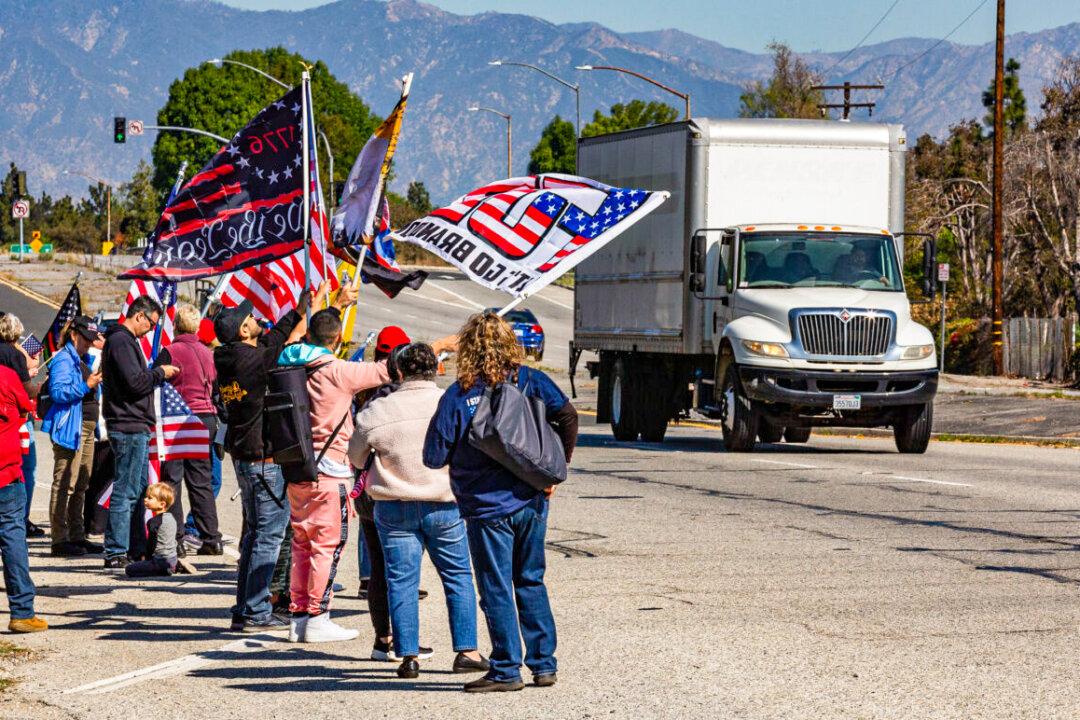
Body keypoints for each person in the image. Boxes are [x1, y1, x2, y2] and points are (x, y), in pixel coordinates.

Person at [424, 311, 578, 693]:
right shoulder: (532, 381)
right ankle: (543, 664)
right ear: (511, 343)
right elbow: (568, 416)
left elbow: (433, 456)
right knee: (530, 579)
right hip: (532, 497)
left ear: (468, 348)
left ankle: (507, 668)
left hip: (486, 505)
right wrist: (556, 468)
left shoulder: (459, 395)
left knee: (495, 586)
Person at [351, 342, 488, 679]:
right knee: (457, 576)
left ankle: (408, 655)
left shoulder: (378, 409)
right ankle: (467, 651)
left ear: (398, 371)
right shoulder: (449, 402)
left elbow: (355, 455)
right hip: (443, 501)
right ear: (436, 369)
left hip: (393, 504)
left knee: (401, 580)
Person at [276, 291, 390, 644]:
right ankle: (318, 616)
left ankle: (298, 615)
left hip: (296, 466)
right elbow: (387, 369)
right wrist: (443, 346)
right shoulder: (339, 371)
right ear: (338, 338)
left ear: (309, 335)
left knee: (302, 545)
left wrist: (333, 306)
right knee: (328, 546)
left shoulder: (288, 363)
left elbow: (293, 338)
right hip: (331, 470)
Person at [214, 283, 328, 633]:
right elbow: (285, 346)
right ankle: (256, 611)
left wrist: (299, 309)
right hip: (263, 460)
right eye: (248, 317)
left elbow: (274, 337)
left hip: (246, 457)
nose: (254, 318)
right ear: (243, 331)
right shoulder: (250, 361)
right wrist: (321, 309)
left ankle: (244, 608)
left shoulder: (231, 357)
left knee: (254, 535)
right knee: (268, 537)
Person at [101, 296, 179, 570]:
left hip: (134, 423)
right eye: (151, 324)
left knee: (136, 491)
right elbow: (134, 382)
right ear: (139, 316)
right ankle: (115, 550)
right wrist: (159, 373)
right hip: (128, 423)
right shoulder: (121, 341)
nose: (150, 330)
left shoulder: (126, 341)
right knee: (126, 491)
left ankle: (134, 547)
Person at [155, 303, 223, 555]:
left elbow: (154, 381)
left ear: (175, 326)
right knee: (201, 481)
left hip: (180, 418)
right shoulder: (208, 353)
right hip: (206, 418)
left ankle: (176, 538)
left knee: (172, 479)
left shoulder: (170, 352)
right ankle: (211, 538)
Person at [42, 316, 104, 557]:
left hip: (86, 427)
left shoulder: (81, 358)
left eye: (91, 339)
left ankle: (77, 535)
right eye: (85, 339)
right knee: (65, 483)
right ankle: (59, 539)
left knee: (81, 483)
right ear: (74, 335)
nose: (89, 343)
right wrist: (86, 384)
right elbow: (58, 392)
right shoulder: (63, 359)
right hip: (70, 426)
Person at [0, 361, 46, 633]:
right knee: (12, 539)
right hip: (6, 472)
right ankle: (21, 612)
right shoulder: (5, 376)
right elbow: (27, 406)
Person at [0, 313, 45, 538]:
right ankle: (20, 519)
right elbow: (25, 392)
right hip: (16, 418)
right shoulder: (13, 354)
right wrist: (42, 386)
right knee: (26, 469)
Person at [125, 483, 178, 577]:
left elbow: (152, 543)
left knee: (129, 569)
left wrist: (146, 559)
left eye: (150, 498)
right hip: (173, 558)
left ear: (162, 504)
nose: (145, 499)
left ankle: (165, 570)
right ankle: (175, 566)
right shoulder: (171, 518)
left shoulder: (153, 521)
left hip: (160, 560)